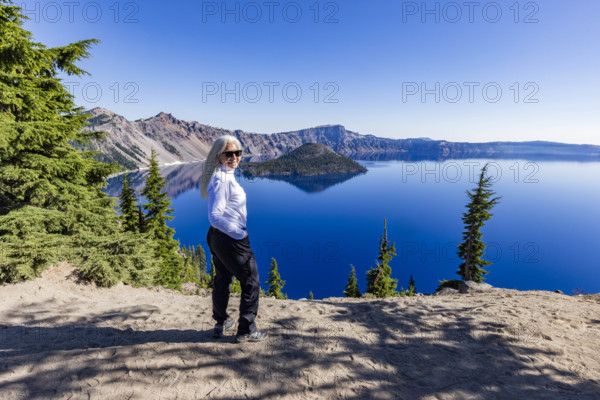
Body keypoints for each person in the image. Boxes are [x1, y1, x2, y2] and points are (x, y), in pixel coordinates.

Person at [200, 135, 267, 343]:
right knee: (251, 282)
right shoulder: (221, 180)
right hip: (231, 239)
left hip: (218, 238)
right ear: (219, 155)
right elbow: (215, 216)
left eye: (238, 153)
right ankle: (246, 329)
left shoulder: (224, 175)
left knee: (222, 279)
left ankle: (221, 323)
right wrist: (240, 233)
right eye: (229, 154)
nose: (235, 157)